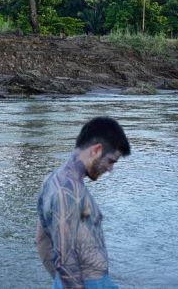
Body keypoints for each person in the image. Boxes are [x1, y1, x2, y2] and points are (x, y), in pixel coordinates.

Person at [36, 116, 131, 289]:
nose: (110, 169)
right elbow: (64, 259)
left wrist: (58, 282)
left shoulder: (51, 181)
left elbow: (41, 241)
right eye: (111, 161)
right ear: (96, 150)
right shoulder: (67, 191)